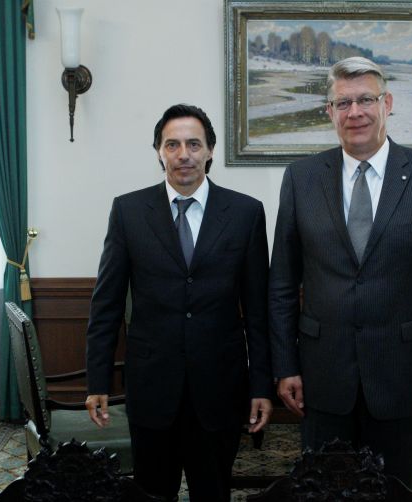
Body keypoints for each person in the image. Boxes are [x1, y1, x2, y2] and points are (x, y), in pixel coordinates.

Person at [268, 57, 412, 490]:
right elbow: (282, 282)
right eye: (343, 103)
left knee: (395, 490)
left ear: (387, 103)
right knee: (322, 491)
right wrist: (285, 365)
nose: (354, 112)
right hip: (322, 374)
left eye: (365, 100)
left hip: (401, 375)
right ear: (329, 112)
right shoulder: (301, 178)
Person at [85, 104, 273, 501]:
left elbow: (258, 312)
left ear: (210, 150)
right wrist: (97, 380)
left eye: (193, 144)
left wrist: (261, 386)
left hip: (220, 387)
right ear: (159, 151)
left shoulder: (245, 213)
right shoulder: (129, 211)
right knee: (151, 494)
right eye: (172, 144)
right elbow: (107, 304)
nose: (183, 154)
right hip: (152, 386)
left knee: (213, 493)